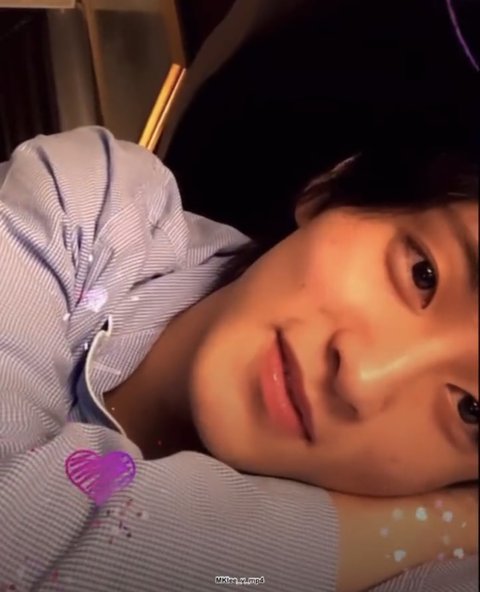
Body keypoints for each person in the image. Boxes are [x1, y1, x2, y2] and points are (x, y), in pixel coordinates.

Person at [0, 126, 477, 592]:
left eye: (472, 409)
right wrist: (432, 525)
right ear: (329, 190)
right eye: (423, 274)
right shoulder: (89, 206)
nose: (363, 378)